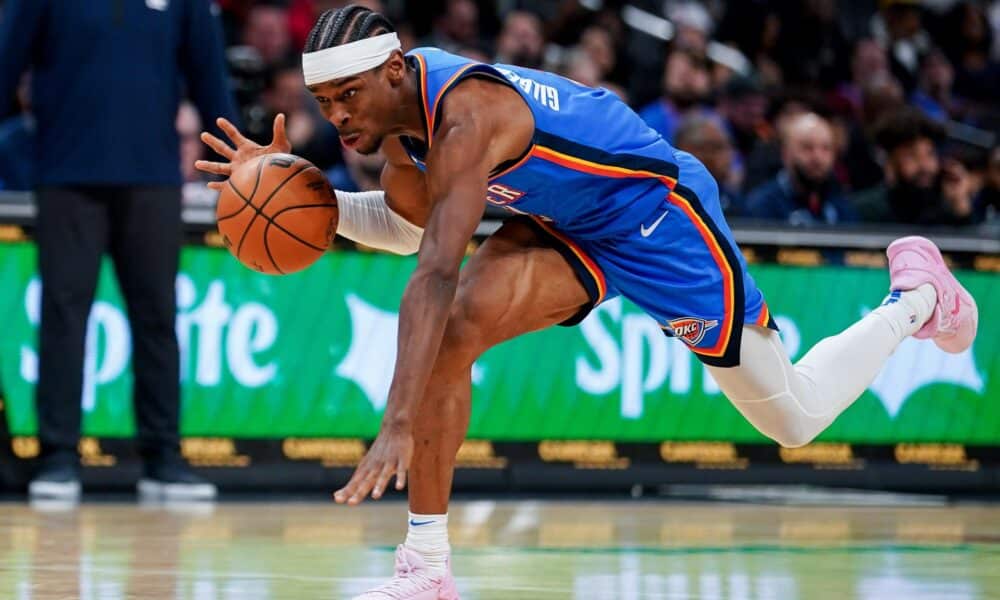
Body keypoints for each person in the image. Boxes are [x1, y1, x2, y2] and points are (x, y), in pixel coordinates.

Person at [195, 6, 979, 598]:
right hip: (566, 223)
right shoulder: (396, 131)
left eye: (348, 97)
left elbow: (433, 268)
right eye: (325, 104)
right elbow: (408, 232)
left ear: (395, 70)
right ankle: (426, 569)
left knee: (793, 418)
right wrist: (311, 199)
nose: (337, 119)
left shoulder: (466, 118)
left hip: (653, 213)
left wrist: (396, 418)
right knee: (454, 333)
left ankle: (913, 297)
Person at [0, 0, 238, 501]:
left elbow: (208, 74)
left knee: (156, 317)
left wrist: (238, 161)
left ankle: (163, 459)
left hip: (152, 178)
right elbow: (6, 61)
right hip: (66, 176)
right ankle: (59, 457)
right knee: (65, 314)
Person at [852, 109, 976, 225]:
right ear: (890, 162)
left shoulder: (947, 208)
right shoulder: (865, 210)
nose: (924, 166)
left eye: (929, 154)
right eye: (912, 156)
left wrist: (961, 205)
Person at [745, 113, 856, 225]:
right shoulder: (763, 205)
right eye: (807, 147)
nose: (817, 157)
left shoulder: (840, 202)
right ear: (786, 154)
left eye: (826, 148)